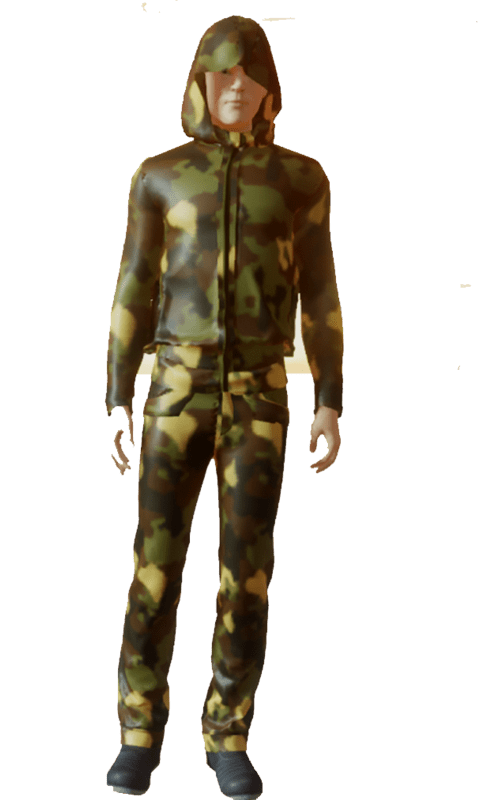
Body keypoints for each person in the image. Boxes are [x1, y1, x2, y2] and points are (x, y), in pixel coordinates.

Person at [104, 15, 344, 799]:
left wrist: (330, 397)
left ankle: (228, 734)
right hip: (175, 389)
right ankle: (139, 731)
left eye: (250, 73)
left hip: (261, 397)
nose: (235, 86)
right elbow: (133, 285)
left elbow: (321, 292)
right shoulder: (159, 176)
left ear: (269, 87)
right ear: (199, 82)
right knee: (154, 568)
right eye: (221, 72)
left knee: (248, 573)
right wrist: (116, 390)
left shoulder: (302, 179)